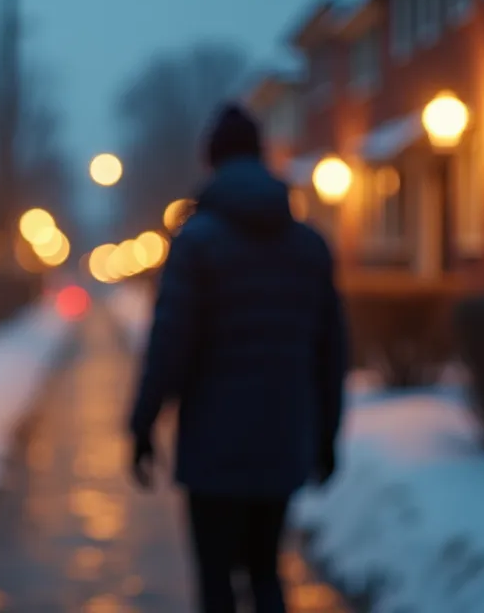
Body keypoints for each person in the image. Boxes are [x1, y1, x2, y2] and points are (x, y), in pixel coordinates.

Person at [127, 105, 347, 613]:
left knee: (216, 581)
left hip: (213, 447)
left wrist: (142, 426)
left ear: (211, 162)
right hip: (283, 438)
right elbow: (331, 352)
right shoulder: (310, 246)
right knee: (267, 571)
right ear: (261, 155)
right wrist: (327, 434)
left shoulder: (196, 243)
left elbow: (169, 344)